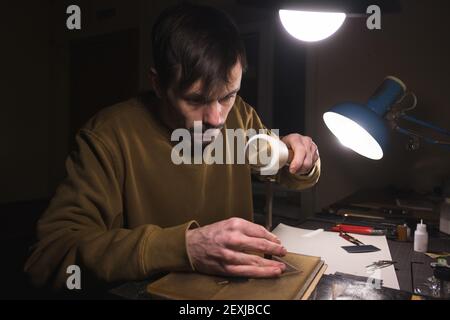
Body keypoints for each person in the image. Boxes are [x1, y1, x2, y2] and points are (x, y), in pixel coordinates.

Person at [25, 3, 320, 291]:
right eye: (195, 100)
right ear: (157, 83)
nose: (216, 119)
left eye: (228, 95)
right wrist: (184, 247)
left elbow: (290, 174)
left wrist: (301, 157)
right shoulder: (108, 137)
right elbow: (49, 256)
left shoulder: (240, 116)